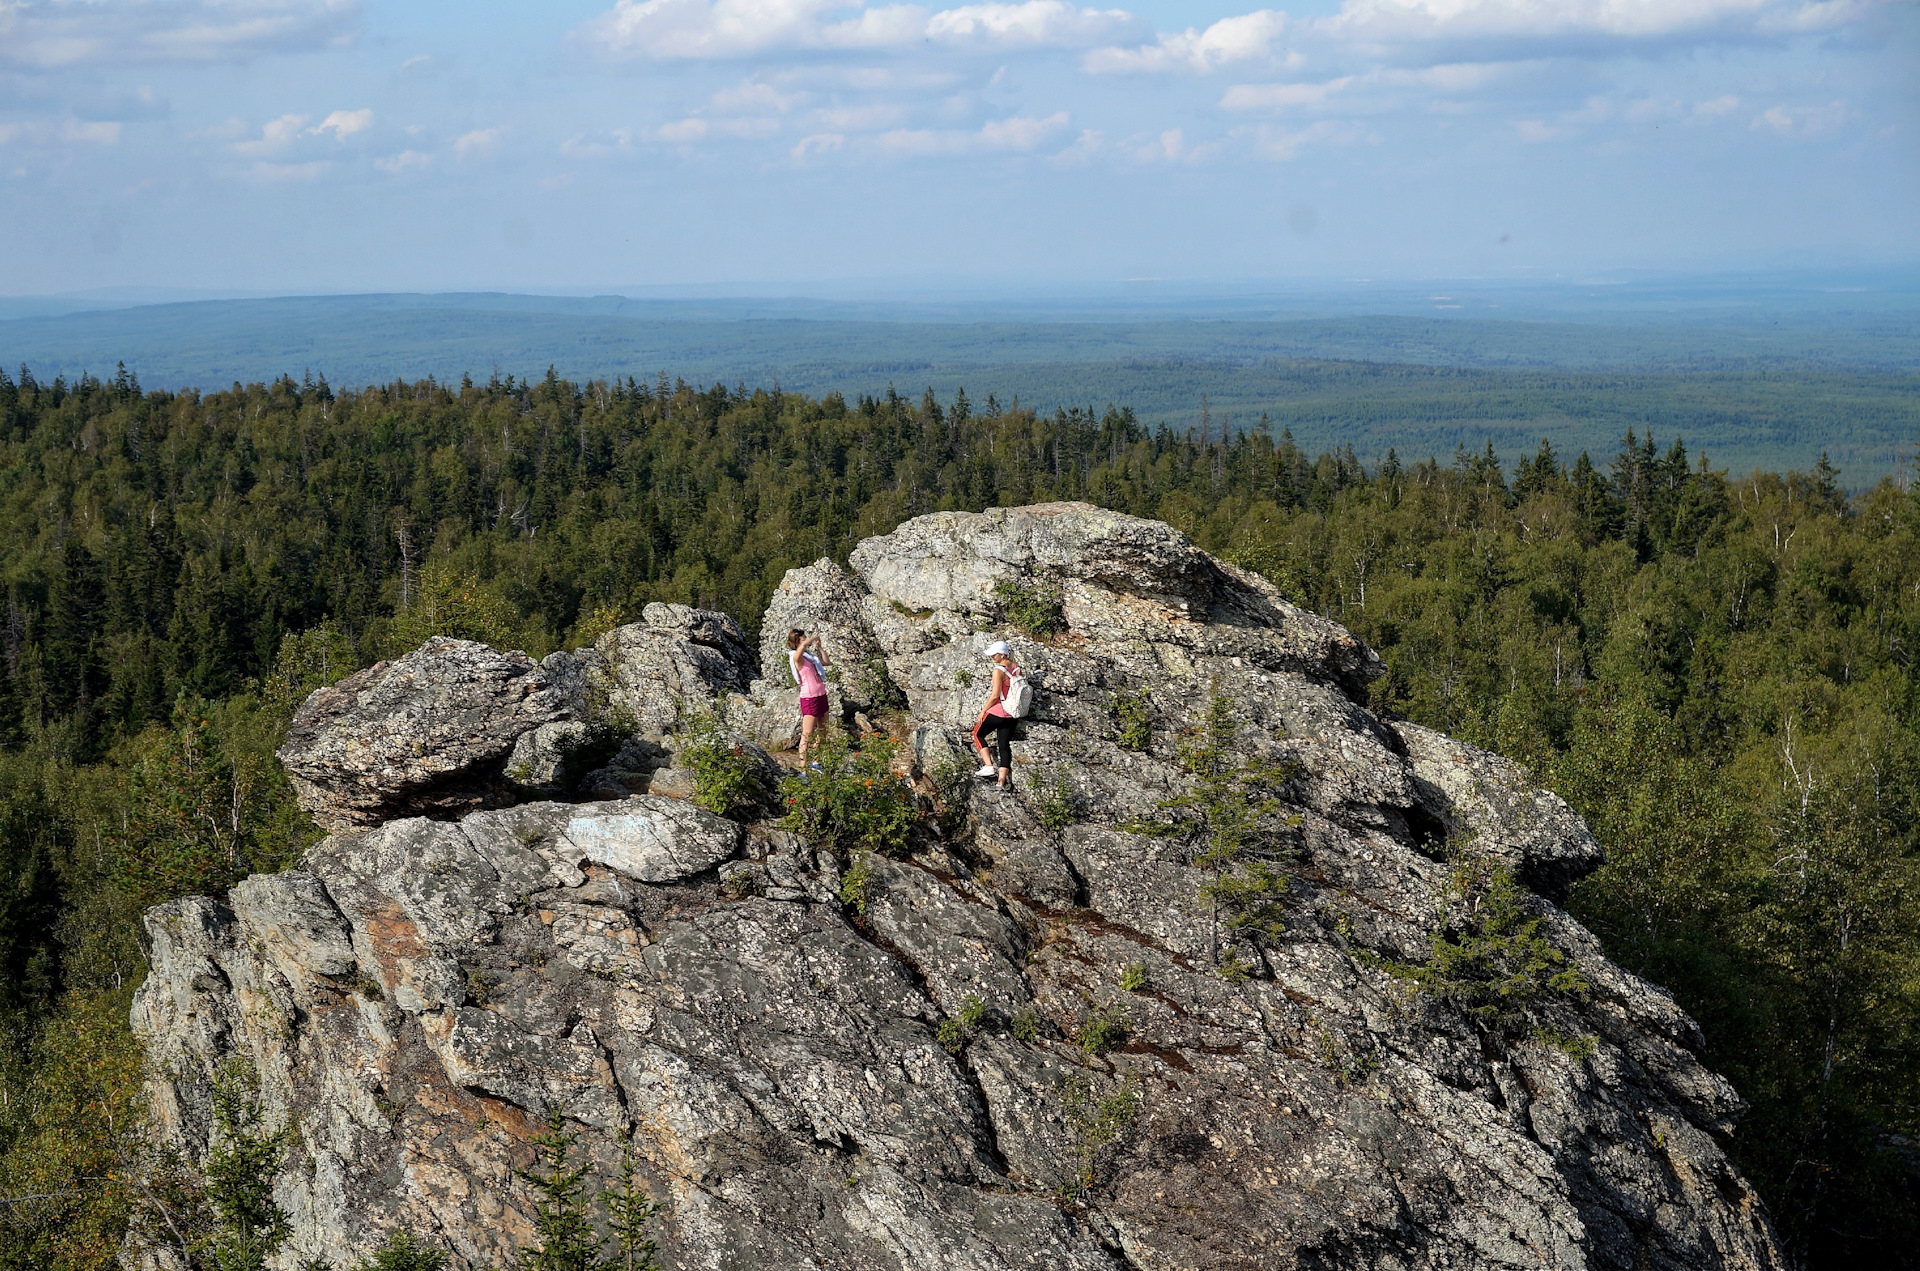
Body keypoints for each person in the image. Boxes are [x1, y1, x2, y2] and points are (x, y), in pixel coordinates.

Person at [971, 640, 1021, 788]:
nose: (992, 657)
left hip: (998, 711)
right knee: (1004, 746)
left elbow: (995, 696)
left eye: (994, 655)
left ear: (1002, 654)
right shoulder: (1017, 668)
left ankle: (988, 766)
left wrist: (983, 711)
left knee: (977, 734)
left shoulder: (998, 670)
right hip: (1012, 713)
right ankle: (1001, 782)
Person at [787, 629, 830, 764]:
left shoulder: (809, 656)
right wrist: (813, 637)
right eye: (803, 638)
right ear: (798, 641)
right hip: (809, 697)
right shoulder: (797, 657)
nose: (806, 639)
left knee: (823, 731)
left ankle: (816, 762)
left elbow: (826, 662)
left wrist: (820, 647)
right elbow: (803, 646)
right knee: (807, 734)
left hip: (821, 694)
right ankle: (803, 768)